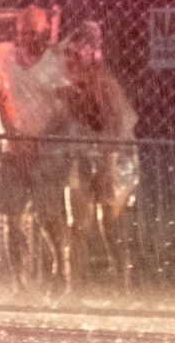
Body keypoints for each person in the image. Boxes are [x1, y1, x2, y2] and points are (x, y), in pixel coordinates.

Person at [0, 5, 69, 294]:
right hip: (14, 148)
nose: (26, 38)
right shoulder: (6, 59)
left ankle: (61, 270)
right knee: (13, 217)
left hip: (44, 149)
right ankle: (19, 282)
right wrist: (15, 138)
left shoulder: (55, 62)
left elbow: (62, 108)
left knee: (49, 216)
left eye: (32, 33)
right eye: (22, 32)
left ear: (45, 32)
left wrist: (39, 139)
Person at [58, 20, 138, 288]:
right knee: (77, 223)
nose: (70, 61)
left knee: (110, 220)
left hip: (116, 155)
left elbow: (115, 126)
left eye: (75, 55)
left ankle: (122, 284)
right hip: (82, 155)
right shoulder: (68, 85)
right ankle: (75, 286)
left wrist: (108, 166)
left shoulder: (103, 83)